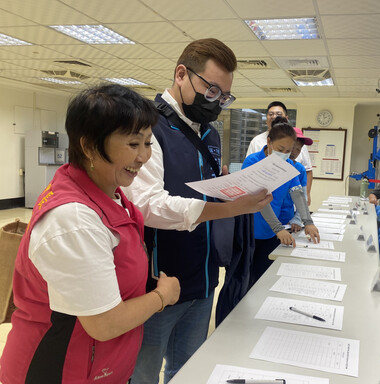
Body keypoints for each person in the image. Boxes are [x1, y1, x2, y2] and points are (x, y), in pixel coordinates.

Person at [0, 84, 182, 384]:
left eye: (148, 143)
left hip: (98, 366)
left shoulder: (112, 196)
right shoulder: (73, 219)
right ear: (89, 146)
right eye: (133, 144)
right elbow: (104, 323)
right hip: (60, 370)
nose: (143, 157)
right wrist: (162, 296)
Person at [123, 38, 272, 383]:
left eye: (224, 96)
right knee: (143, 374)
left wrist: (236, 187)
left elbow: (204, 186)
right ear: (181, 74)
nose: (216, 102)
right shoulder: (148, 128)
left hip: (204, 280)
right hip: (159, 284)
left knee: (188, 371)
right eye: (212, 91)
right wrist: (229, 209)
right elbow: (147, 205)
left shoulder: (210, 134)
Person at [243, 118, 320, 286]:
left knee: (265, 278)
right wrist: (278, 228)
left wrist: (307, 221)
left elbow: (298, 194)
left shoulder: (288, 165)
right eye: (280, 149)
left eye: (288, 150)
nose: (284, 154)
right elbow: (259, 200)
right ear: (269, 142)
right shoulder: (253, 162)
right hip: (250, 232)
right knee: (246, 279)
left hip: (270, 232)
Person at [246, 101, 314, 204]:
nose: (274, 117)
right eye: (271, 114)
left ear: (286, 118)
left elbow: (307, 171)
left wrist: (306, 196)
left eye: (288, 150)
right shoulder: (256, 145)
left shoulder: (293, 164)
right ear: (269, 143)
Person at [279, 127, 313, 232]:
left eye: (298, 149)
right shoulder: (274, 165)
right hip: (268, 221)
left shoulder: (300, 169)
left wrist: (297, 219)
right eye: (292, 147)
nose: (294, 152)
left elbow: (302, 196)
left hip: (288, 221)